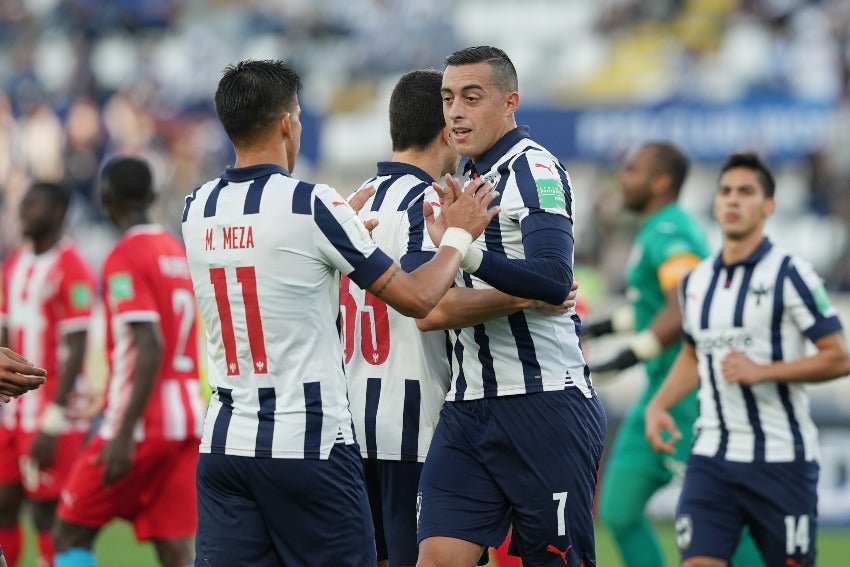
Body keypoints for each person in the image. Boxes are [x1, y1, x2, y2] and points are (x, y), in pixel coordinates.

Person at [181, 59, 499, 567]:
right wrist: (458, 236)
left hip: (224, 443)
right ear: (287, 122)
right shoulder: (312, 204)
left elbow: (277, 274)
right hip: (308, 444)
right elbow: (418, 299)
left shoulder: (196, 207)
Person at [414, 46, 605, 567]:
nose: (455, 111)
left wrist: (466, 246)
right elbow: (432, 303)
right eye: (448, 98)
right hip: (467, 404)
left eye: (471, 98)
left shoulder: (534, 167)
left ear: (509, 103)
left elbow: (553, 276)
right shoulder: (459, 185)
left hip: (543, 403)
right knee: (436, 558)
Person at [645, 152, 850, 567]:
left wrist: (764, 371)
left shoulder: (791, 274)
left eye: (746, 191)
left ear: (768, 206)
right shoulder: (696, 282)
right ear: (716, 203)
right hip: (712, 458)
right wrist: (658, 404)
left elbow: (839, 357)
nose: (733, 200)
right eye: (725, 192)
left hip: (782, 462)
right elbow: (692, 352)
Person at [585, 143, 764, 567]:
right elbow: (652, 308)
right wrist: (596, 328)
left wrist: (624, 359)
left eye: (631, 170)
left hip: (691, 395)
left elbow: (683, 307)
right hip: (659, 393)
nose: (622, 178)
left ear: (660, 181)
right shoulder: (654, 229)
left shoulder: (671, 231)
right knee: (618, 510)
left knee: (721, 519)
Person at [54, 156, 205, 567]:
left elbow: (149, 344)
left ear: (105, 198)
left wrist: (120, 430)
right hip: (188, 417)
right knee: (174, 548)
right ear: (154, 197)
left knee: (68, 532)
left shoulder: (124, 256)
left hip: (142, 423)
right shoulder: (176, 251)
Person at [0, 181, 96, 567]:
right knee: (4, 503)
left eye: (33, 205)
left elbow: (77, 349)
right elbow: (4, 337)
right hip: (11, 415)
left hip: (51, 414)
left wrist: (53, 420)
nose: (23, 211)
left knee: (50, 517)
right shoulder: (13, 265)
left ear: (57, 212)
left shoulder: (72, 266)